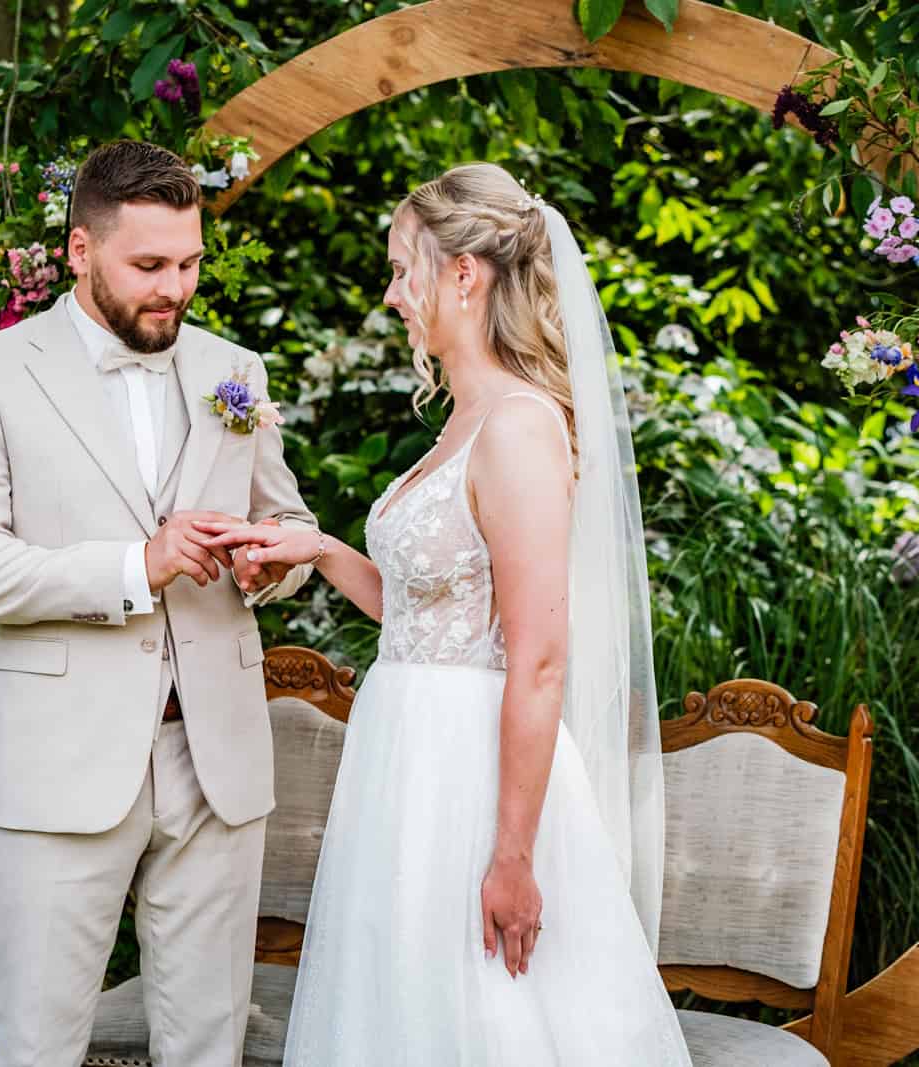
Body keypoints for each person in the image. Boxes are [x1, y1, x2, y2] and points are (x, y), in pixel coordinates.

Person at [201, 163, 692, 1065]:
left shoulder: (517, 425)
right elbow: (429, 615)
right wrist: (314, 549)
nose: (392, 294)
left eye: (402, 268)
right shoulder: (462, 422)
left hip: (470, 779)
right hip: (403, 761)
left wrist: (511, 854)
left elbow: (539, 657)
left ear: (464, 273)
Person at [0, 139, 317, 1067]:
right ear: (79, 253)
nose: (174, 288)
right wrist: (138, 566)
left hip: (214, 756)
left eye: (188, 264)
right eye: (148, 266)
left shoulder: (236, 370)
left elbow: (287, 518)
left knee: (208, 1041)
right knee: (39, 1040)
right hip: (63, 761)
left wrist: (273, 563)